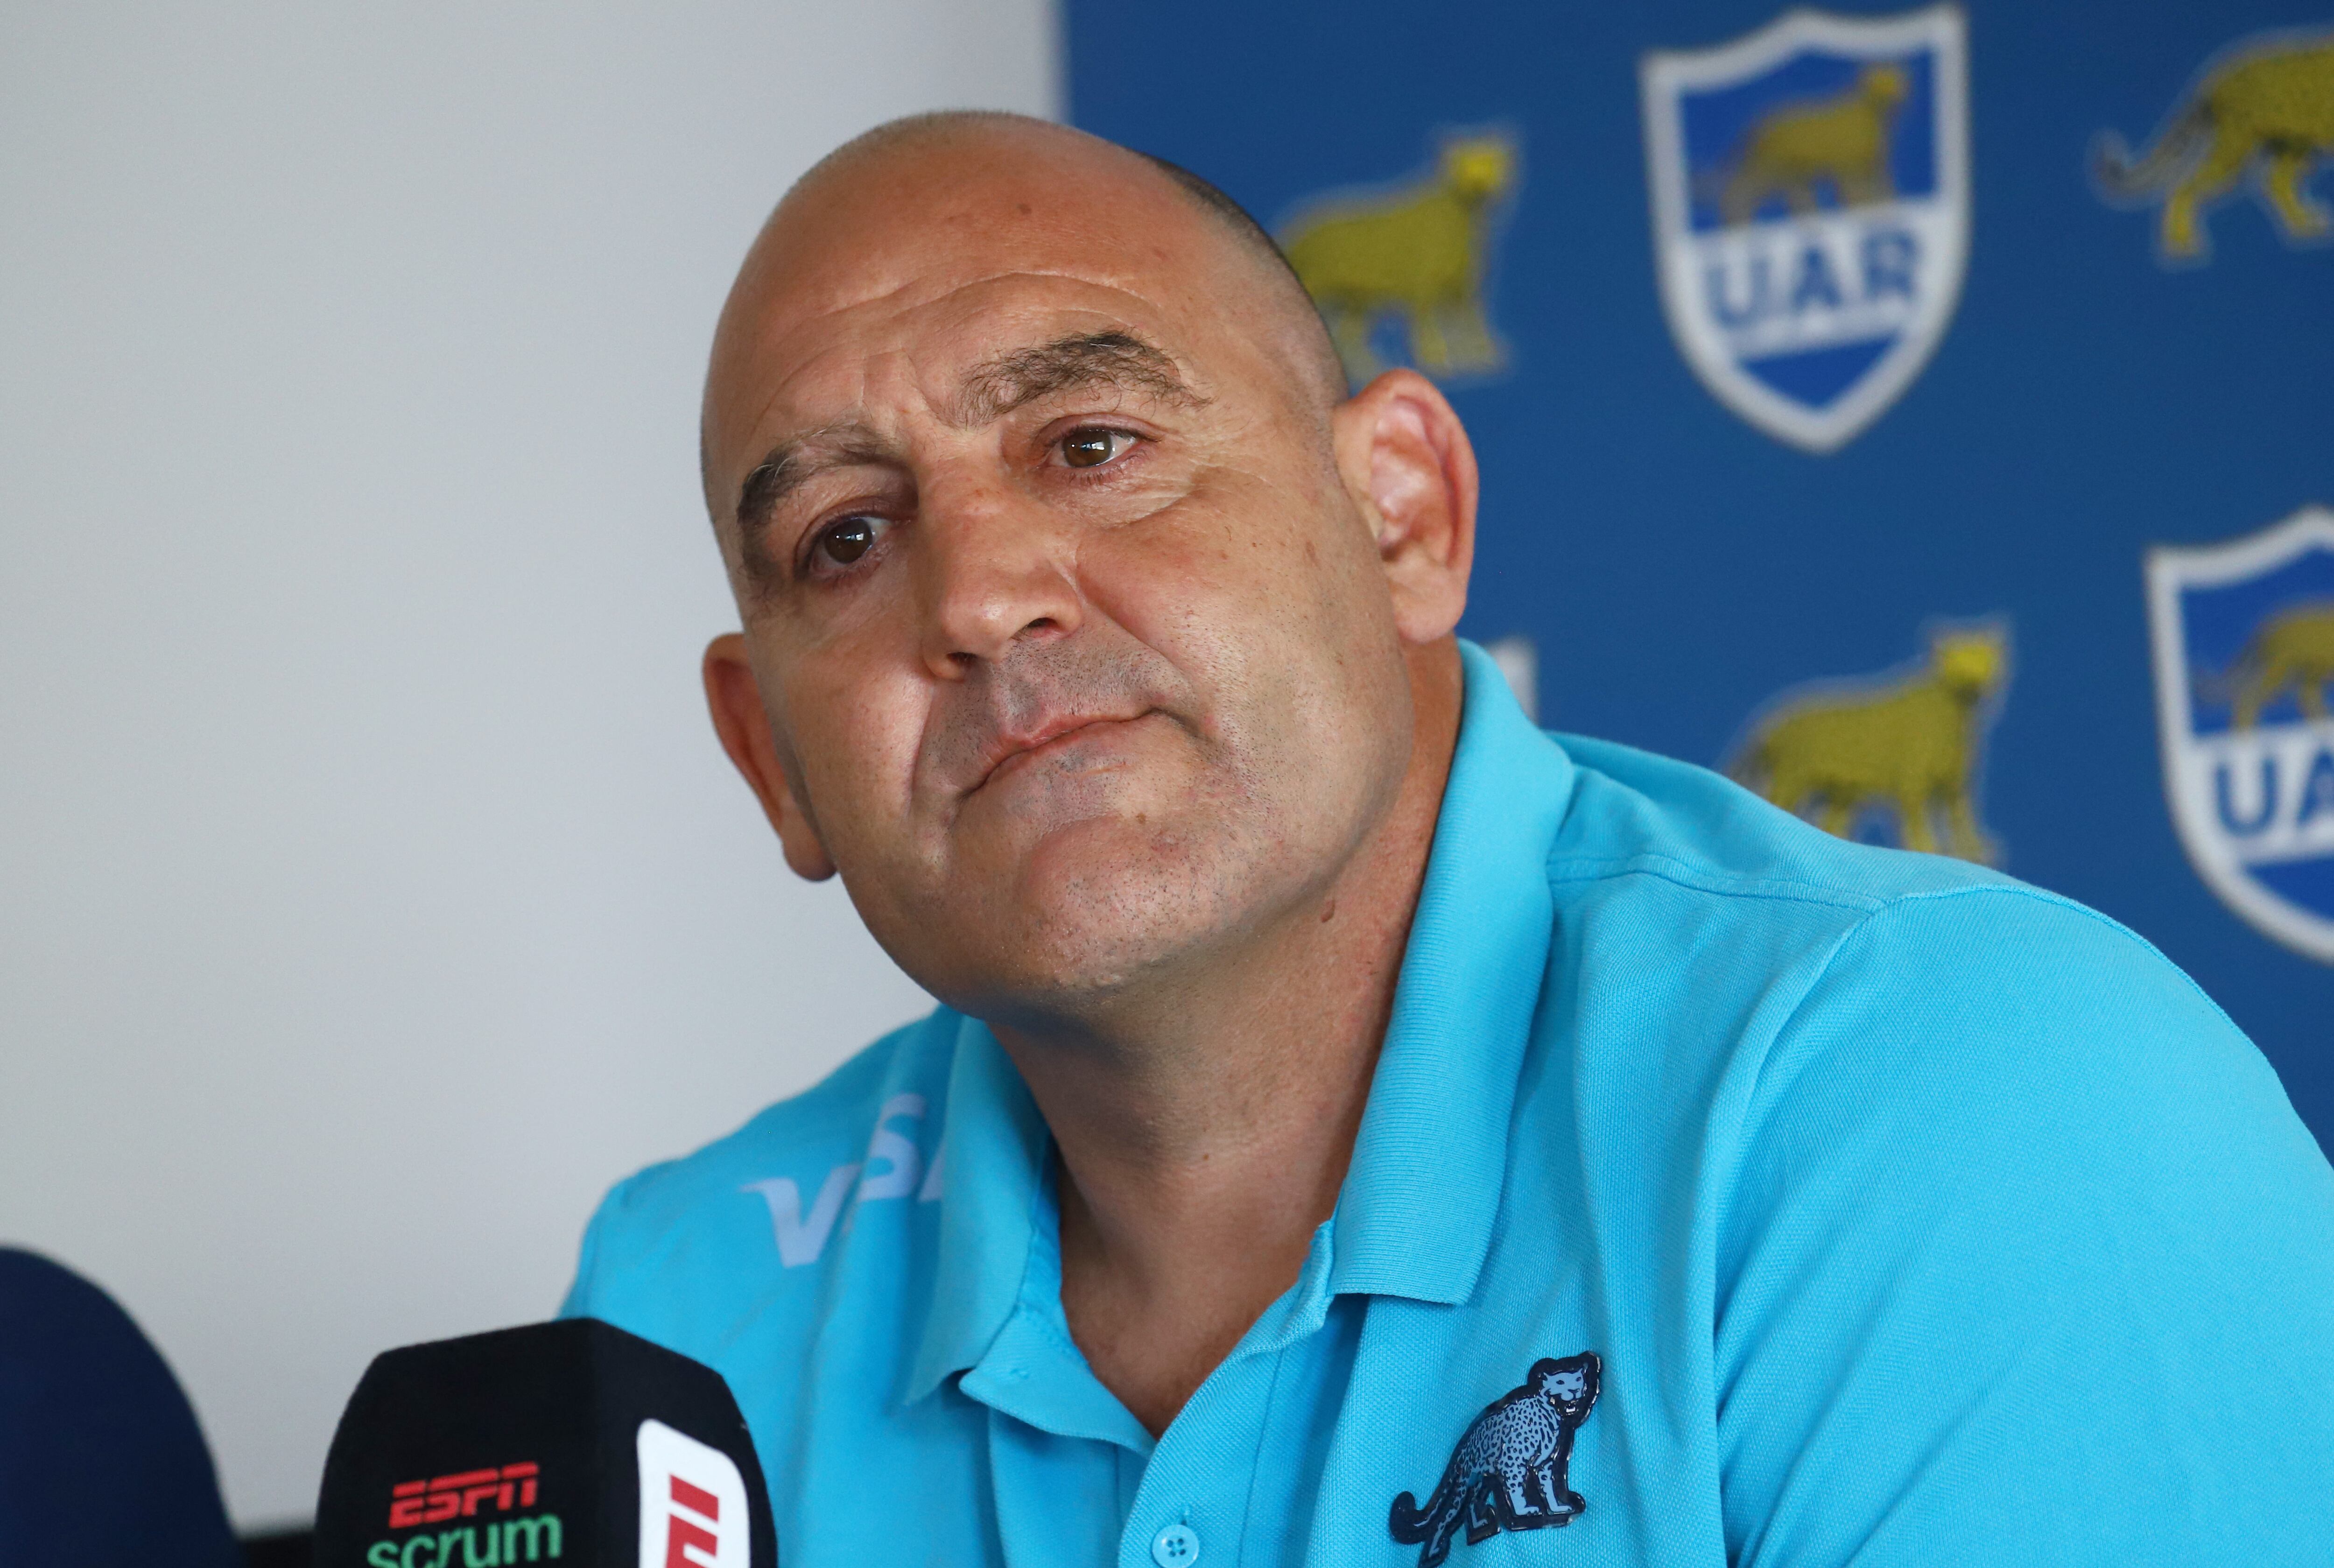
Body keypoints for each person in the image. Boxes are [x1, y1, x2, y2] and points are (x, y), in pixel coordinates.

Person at [561, 112, 2334, 1567]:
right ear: (770, 756)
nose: (981, 592)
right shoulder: (677, 1316)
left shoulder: (1972, 1101)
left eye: (1091, 442)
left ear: (1401, 514)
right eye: (847, 544)